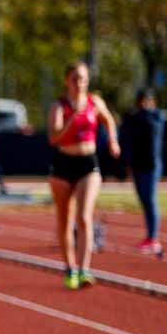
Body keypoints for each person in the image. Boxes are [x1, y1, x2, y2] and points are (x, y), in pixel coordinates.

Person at [47, 61, 119, 290]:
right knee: (64, 218)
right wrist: (72, 118)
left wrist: (112, 140)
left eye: (83, 79)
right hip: (62, 164)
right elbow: (54, 137)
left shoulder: (94, 102)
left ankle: (85, 269)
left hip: (88, 163)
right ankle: (69, 268)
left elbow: (108, 119)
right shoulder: (58, 106)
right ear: (66, 81)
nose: (80, 83)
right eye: (75, 78)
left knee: (85, 217)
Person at [122, 88, 164, 255]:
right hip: (137, 165)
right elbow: (127, 136)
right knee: (144, 201)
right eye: (140, 101)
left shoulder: (156, 117)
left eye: (146, 101)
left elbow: (153, 129)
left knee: (149, 199)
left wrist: (145, 113)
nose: (143, 104)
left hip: (151, 166)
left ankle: (153, 237)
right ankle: (150, 236)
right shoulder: (134, 118)